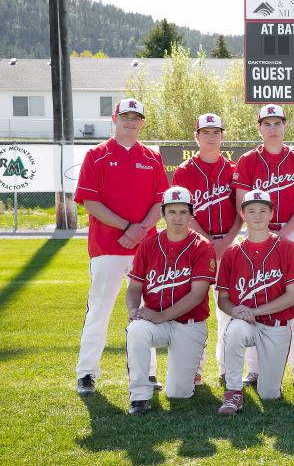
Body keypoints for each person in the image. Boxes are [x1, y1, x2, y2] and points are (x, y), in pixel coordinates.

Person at [74, 97, 169, 395]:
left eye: (135, 118)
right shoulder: (96, 155)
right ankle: (86, 373)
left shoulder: (152, 157)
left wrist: (138, 233)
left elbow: (161, 202)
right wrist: (128, 227)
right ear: (114, 119)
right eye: (125, 117)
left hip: (144, 250)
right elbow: (90, 202)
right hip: (107, 248)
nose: (130, 122)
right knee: (99, 310)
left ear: (142, 122)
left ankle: (147, 373)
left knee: (146, 311)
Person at [232, 104, 294, 386]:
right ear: (259, 128)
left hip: (289, 235)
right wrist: (263, 231)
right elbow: (241, 203)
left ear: (284, 126)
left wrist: (282, 233)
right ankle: (254, 367)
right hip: (256, 235)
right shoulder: (247, 160)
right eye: (266, 123)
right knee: (254, 296)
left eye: (277, 123)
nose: (272, 128)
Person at [124, 186, 216, 415]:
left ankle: (188, 372)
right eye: (172, 211)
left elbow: (197, 295)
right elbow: (134, 288)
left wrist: (161, 316)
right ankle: (139, 396)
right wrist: (133, 310)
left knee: (178, 393)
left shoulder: (202, 246)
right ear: (163, 214)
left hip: (189, 324)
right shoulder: (148, 244)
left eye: (183, 212)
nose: (177, 218)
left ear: (191, 214)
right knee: (136, 330)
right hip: (156, 322)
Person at [215, 190, 294, 414]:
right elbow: (223, 300)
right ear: (243, 215)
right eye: (252, 211)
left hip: (276, 325)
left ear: (271, 214)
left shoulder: (287, 248)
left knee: (269, 394)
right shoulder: (232, 253)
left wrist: (254, 311)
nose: (257, 216)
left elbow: (293, 296)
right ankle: (233, 392)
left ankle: (269, 384)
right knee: (234, 330)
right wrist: (237, 312)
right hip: (245, 322)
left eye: (263, 210)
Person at [172, 113, 242, 385]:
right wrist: (208, 243)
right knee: (194, 308)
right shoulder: (184, 171)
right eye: (205, 132)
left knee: (229, 307)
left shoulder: (234, 170)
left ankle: (227, 367)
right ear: (197, 136)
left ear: (222, 135)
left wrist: (227, 241)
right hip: (196, 245)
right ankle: (194, 367)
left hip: (229, 244)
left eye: (215, 132)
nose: (211, 137)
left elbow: (241, 211)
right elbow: (183, 212)